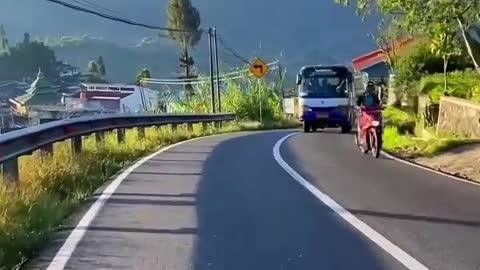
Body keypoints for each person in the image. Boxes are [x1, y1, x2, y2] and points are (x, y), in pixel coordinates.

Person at [356, 81, 381, 148]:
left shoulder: (374, 96)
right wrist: (359, 107)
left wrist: (380, 107)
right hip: (365, 113)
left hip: (373, 113)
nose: (370, 89)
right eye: (368, 88)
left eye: (371, 88)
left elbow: (378, 103)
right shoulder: (362, 96)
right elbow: (358, 104)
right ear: (366, 88)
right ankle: (362, 140)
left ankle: (379, 137)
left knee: (378, 123)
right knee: (363, 127)